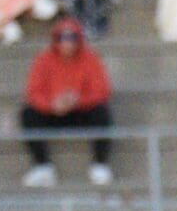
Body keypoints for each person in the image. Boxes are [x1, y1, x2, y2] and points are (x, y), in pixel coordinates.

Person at [20, 19, 113, 188]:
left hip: (81, 111)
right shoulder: (43, 60)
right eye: (62, 38)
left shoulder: (90, 59)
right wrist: (52, 105)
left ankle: (100, 164)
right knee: (28, 114)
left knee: (102, 113)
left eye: (72, 38)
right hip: (52, 112)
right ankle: (42, 167)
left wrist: (78, 100)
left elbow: (102, 90)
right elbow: (33, 92)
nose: (67, 43)